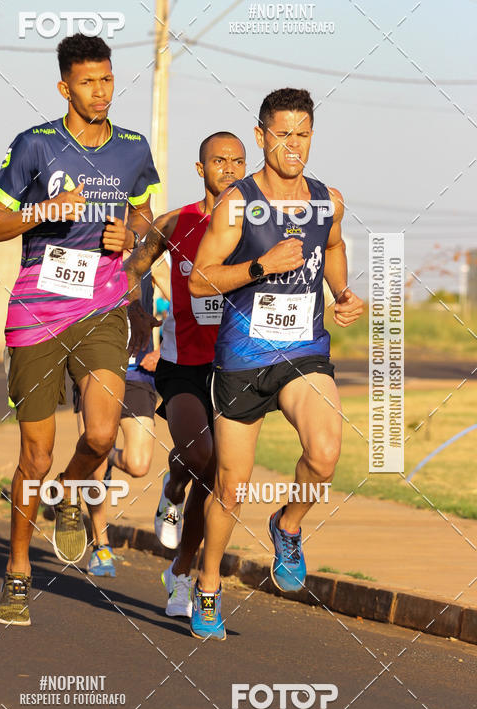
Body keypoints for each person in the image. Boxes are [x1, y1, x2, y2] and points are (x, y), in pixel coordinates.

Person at [0, 33, 159, 626]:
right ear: (65, 87)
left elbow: (148, 226)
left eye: (107, 79)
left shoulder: (133, 149)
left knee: (102, 435)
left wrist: (131, 241)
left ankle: (70, 495)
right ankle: (17, 572)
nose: (101, 91)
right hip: (37, 309)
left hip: (103, 305)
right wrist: (44, 211)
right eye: (88, 82)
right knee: (35, 454)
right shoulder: (35, 145)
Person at [189, 88, 363, 640]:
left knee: (326, 452)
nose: (294, 145)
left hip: (303, 352)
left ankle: (287, 526)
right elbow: (200, 278)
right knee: (231, 487)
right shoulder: (237, 204)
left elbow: (332, 245)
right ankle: (209, 584)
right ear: (262, 134)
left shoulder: (326, 199)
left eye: (303, 134)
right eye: (283, 134)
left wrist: (341, 292)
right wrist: (261, 265)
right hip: (241, 360)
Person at [125, 132, 246, 616]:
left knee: (215, 470)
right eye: (219, 160)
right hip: (181, 364)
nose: (230, 168)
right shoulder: (175, 221)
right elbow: (134, 266)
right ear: (201, 168)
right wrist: (137, 313)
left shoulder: (257, 223)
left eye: (238, 161)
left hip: (235, 365)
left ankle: (180, 572)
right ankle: (174, 482)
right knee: (200, 454)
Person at [69, 271, 160, 578]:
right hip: (93, 372)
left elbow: (186, 299)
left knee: (138, 463)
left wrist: (164, 350)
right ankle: (101, 545)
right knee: (93, 463)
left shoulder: (150, 262)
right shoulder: (89, 254)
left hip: (136, 377)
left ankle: (101, 452)